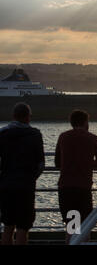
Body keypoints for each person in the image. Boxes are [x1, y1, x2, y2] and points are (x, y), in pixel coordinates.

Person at [55, 110, 97, 243]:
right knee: (84, 226)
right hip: (83, 188)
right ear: (85, 123)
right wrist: (88, 163)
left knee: (72, 225)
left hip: (65, 188)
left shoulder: (63, 137)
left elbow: (57, 162)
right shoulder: (92, 138)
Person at [0, 103, 45, 245]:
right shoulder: (35, 134)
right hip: (26, 187)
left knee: (7, 226)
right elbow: (41, 164)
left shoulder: (3, 134)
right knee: (23, 227)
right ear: (28, 117)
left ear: (13, 116)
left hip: (6, 185)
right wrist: (31, 178)